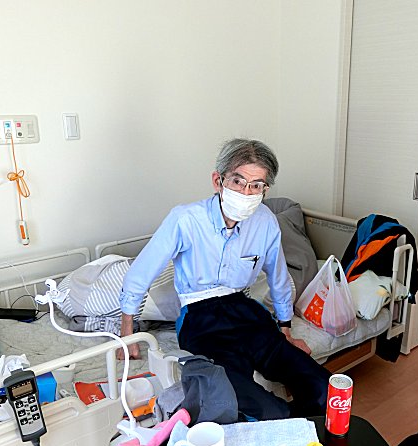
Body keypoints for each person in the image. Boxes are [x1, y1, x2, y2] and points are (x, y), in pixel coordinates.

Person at [118, 138, 331, 420]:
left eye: (256, 185)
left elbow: (278, 276)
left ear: (265, 190)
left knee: (324, 389)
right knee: (254, 403)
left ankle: (310, 433)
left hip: (246, 312)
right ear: (218, 181)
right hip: (200, 318)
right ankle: (287, 425)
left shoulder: (265, 221)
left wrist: (286, 329)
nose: (246, 192)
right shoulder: (186, 219)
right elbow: (141, 273)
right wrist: (127, 332)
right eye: (238, 181)